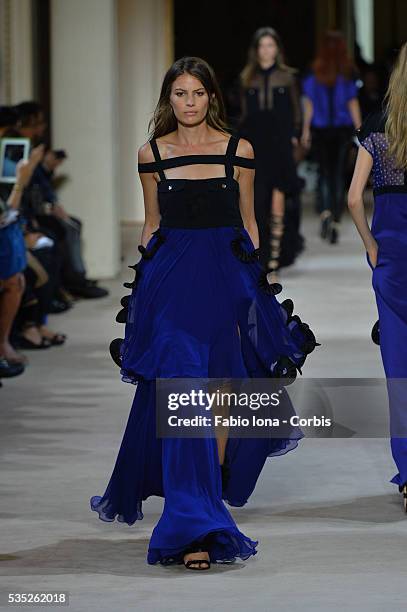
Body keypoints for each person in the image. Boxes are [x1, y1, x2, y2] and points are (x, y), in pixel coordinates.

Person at [90, 56, 319, 570]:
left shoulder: (240, 151)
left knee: (222, 393)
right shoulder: (152, 154)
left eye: (197, 93)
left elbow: (249, 224)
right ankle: (190, 521)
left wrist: (255, 289)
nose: (188, 103)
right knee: (183, 389)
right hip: (170, 287)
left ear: (212, 97)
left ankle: (205, 494)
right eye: (179, 94)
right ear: (167, 99)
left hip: (225, 283)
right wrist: (140, 297)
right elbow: (151, 225)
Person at [348, 41, 407, 512]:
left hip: (392, 262)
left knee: (399, 373)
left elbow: (352, 197)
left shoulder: (377, 128)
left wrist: (371, 245)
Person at [237, 27, 303, 281]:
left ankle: (274, 258)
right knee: (258, 198)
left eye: (271, 45)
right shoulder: (246, 78)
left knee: (278, 197)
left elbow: (296, 109)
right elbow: (243, 113)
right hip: (255, 143)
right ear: (256, 50)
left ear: (277, 49)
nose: (267, 50)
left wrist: (296, 133)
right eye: (262, 46)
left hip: (280, 142)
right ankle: (261, 254)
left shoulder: (287, 77)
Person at [301, 30, 362, 244]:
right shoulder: (347, 71)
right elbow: (351, 102)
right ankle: (335, 217)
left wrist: (306, 130)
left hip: (319, 129)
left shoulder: (314, 70)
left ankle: (325, 210)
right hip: (341, 129)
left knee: (324, 173)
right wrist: (360, 129)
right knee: (337, 174)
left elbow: (308, 103)